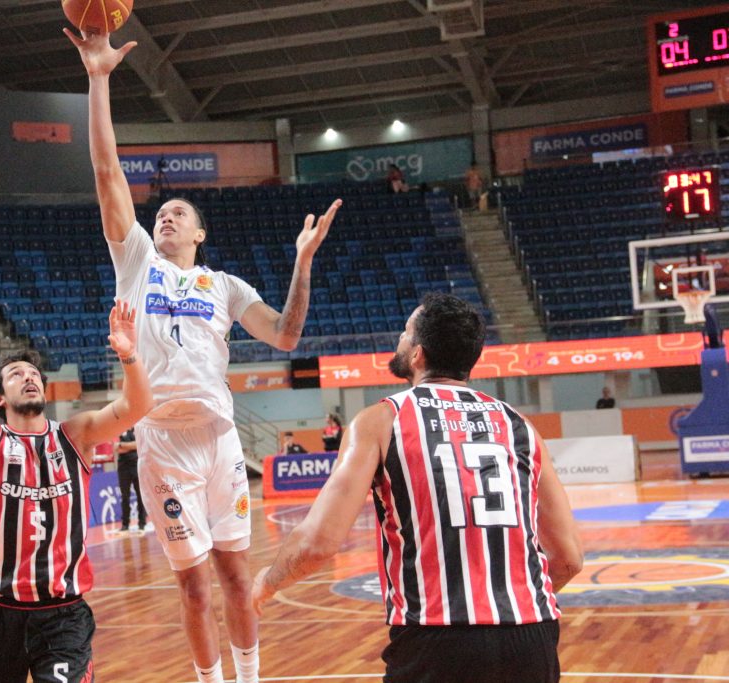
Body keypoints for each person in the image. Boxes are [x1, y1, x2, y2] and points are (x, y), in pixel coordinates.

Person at [66, 29, 340, 683]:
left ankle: (248, 678)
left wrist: (302, 262)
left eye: (179, 211)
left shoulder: (225, 286)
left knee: (237, 579)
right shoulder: (134, 259)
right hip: (163, 443)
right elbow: (107, 173)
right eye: (161, 210)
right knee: (192, 589)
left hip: (218, 442)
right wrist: (100, 79)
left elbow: (287, 335)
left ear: (200, 232)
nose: (167, 215)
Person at [252, 293, 584, 683]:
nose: (400, 337)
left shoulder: (380, 421)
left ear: (417, 355)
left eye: (406, 331)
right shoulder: (519, 426)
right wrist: (509, 610)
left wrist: (266, 582)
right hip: (532, 638)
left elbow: (318, 542)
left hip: (436, 638)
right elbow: (568, 560)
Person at [0, 265, 153, 683]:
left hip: (63, 614)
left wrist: (129, 355)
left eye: (33, 374)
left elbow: (136, 406)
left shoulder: (77, 435)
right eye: (16, 375)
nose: (29, 378)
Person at [115, 427, 147, 532]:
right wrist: (132, 445)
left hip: (137, 465)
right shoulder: (118, 428)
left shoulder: (137, 428)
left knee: (140, 496)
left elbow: (140, 444)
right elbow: (115, 447)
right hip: (123, 467)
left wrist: (123, 445)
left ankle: (142, 524)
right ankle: (125, 525)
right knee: (125, 497)